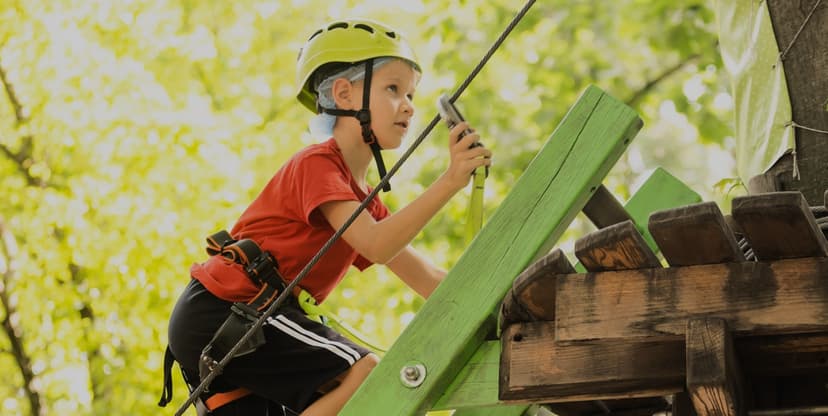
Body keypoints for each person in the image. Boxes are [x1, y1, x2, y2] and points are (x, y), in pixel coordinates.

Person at [161, 18, 492, 416]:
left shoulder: (363, 204)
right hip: (227, 309)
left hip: (227, 319)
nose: (408, 105)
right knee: (365, 375)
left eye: (411, 94)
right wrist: (451, 181)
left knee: (340, 392)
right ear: (343, 93)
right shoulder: (318, 166)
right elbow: (376, 243)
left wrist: (496, 302)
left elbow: (424, 277)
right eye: (393, 88)